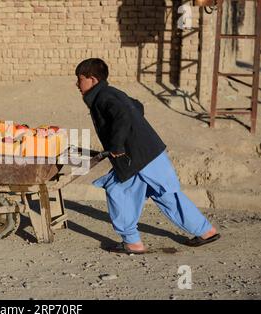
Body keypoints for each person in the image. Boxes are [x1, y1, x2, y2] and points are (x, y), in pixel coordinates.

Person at [75, 58, 220, 254]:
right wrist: (135, 132)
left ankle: (135, 242)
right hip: (145, 153)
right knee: (155, 194)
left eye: (80, 79)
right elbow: (136, 106)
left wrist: (118, 144)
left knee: (132, 192)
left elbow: (123, 115)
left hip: (138, 156)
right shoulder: (111, 93)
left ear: (92, 79)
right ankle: (203, 231)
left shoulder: (103, 97)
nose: (77, 84)